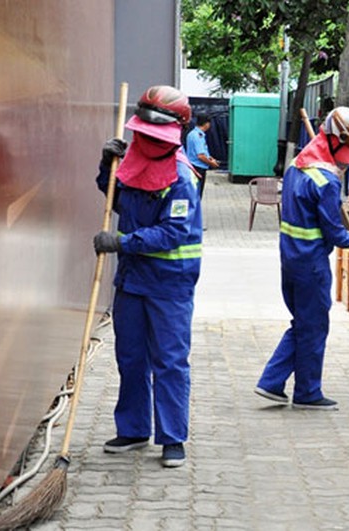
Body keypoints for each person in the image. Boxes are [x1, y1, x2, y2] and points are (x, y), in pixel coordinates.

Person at [93, 85, 203, 468]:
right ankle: (134, 429)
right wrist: (107, 166)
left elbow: (173, 233)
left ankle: (173, 437)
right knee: (131, 356)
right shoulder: (133, 159)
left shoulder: (183, 178)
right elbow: (115, 197)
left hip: (170, 283)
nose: (148, 140)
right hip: (132, 280)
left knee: (170, 360)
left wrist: (121, 242)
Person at [254, 106, 349, 410]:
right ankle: (306, 392)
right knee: (314, 326)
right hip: (312, 264)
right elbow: (333, 232)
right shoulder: (326, 181)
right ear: (333, 141)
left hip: (290, 258)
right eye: (346, 151)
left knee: (303, 323)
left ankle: (272, 383)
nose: (348, 159)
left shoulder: (297, 165)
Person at [185, 114, 219, 199]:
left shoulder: (193, 134)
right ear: (206, 124)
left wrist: (210, 158)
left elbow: (202, 152)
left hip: (194, 167)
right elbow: (200, 156)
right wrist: (212, 163)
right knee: (197, 194)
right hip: (198, 168)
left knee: (194, 192)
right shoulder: (198, 136)